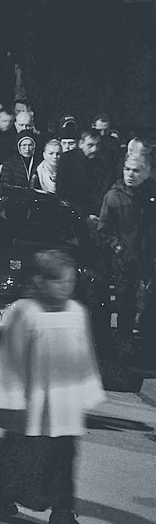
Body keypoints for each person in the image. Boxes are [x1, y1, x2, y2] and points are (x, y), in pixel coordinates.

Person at [0, 250, 105, 524]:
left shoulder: (77, 312)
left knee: (64, 458)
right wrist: (10, 397)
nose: (67, 287)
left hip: (65, 404)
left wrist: (88, 389)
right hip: (31, 403)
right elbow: (9, 358)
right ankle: (2, 492)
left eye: (70, 281)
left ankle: (62, 513)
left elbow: (84, 354)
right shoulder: (24, 311)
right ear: (40, 281)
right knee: (20, 453)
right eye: (59, 281)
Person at [97, 154, 156, 368]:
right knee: (126, 307)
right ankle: (124, 351)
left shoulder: (151, 196)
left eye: (136, 170)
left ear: (147, 173)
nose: (130, 174)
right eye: (127, 169)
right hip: (126, 263)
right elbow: (104, 230)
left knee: (148, 308)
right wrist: (120, 249)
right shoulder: (114, 197)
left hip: (149, 261)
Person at [56, 128, 118, 221]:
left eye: (98, 145)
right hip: (73, 212)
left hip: (99, 213)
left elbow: (105, 187)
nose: (95, 149)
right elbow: (62, 191)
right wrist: (84, 216)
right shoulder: (67, 160)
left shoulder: (106, 160)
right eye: (90, 145)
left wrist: (95, 215)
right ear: (81, 144)